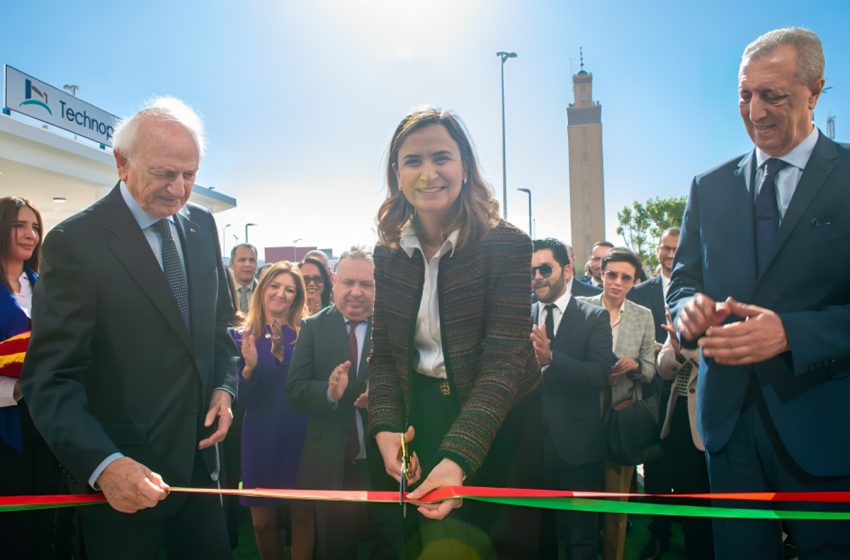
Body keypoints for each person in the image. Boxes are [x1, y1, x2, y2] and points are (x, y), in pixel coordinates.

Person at [20, 97, 238, 559]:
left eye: (190, 174)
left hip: (201, 475)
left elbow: (218, 330)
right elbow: (49, 379)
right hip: (123, 487)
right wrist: (104, 465)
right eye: (164, 173)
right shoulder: (75, 242)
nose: (179, 189)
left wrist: (224, 387)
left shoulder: (201, 225)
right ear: (121, 163)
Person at [669, 27, 850, 559]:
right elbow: (682, 280)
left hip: (827, 429)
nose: (755, 110)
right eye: (746, 94)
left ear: (815, 92)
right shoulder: (710, 185)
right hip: (727, 430)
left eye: (774, 95)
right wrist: (687, 311)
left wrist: (792, 332)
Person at [368, 107, 541, 558]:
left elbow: (505, 363)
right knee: (434, 545)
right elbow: (384, 355)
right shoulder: (387, 253)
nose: (429, 173)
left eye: (441, 157)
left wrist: (459, 458)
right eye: (413, 161)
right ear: (396, 173)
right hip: (421, 414)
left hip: (499, 421)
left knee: (498, 544)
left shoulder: (507, 245)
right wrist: (385, 425)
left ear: (465, 166)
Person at [287, 247, 393, 559]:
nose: (357, 292)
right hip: (331, 464)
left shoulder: (391, 328)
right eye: (349, 283)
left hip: (382, 462)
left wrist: (384, 395)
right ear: (334, 282)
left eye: (367, 284)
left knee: (387, 545)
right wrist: (330, 393)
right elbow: (294, 391)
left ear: (378, 288)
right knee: (335, 548)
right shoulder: (313, 327)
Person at [0, 197, 73, 559]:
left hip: (48, 421)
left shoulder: (46, 286)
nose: (31, 234)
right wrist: (12, 388)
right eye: (19, 225)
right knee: (12, 527)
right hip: (5, 423)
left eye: (35, 227)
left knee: (48, 519)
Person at [529, 238, 612, 560]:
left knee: (580, 539)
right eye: (531, 270)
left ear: (567, 270)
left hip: (579, 449)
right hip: (532, 447)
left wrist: (552, 359)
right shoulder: (522, 315)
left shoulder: (594, 316)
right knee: (539, 536)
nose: (537, 276)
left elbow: (599, 375)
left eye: (544, 268)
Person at [578, 247, 656, 560]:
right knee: (582, 505)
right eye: (612, 274)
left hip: (619, 421)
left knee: (615, 508)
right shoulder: (580, 307)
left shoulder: (643, 315)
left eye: (626, 277)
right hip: (580, 418)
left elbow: (651, 371)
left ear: (635, 282)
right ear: (601, 273)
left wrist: (633, 365)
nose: (617, 282)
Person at [233, 260, 311, 560]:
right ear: (262, 289)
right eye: (275, 286)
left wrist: (283, 358)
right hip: (260, 435)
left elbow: (304, 387)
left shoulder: (306, 335)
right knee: (262, 523)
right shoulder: (240, 336)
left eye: (289, 289)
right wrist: (250, 368)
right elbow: (243, 402)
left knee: (301, 515)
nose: (281, 294)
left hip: (299, 432)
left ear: (297, 297)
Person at [628, 227, 680, 560]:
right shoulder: (640, 292)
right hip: (652, 395)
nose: (671, 253)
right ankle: (658, 535)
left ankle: (694, 532)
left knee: (690, 473)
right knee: (657, 472)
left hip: (689, 394)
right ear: (657, 250)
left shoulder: (702, 287)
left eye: (677, 247)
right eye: (665, 247)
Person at [655, 311, 713, 560]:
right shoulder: (686, 308)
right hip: (681, 418)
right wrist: (677, 351)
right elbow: (664, 367)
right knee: (692, 503)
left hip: (717, 415)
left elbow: (722, 358)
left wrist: (688, 350)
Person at [230, 243, 259, 312]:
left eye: (252, 260)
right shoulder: (222, 291)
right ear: (231, 264)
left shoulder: (264, 291)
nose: (247, 264)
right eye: (242, 260)